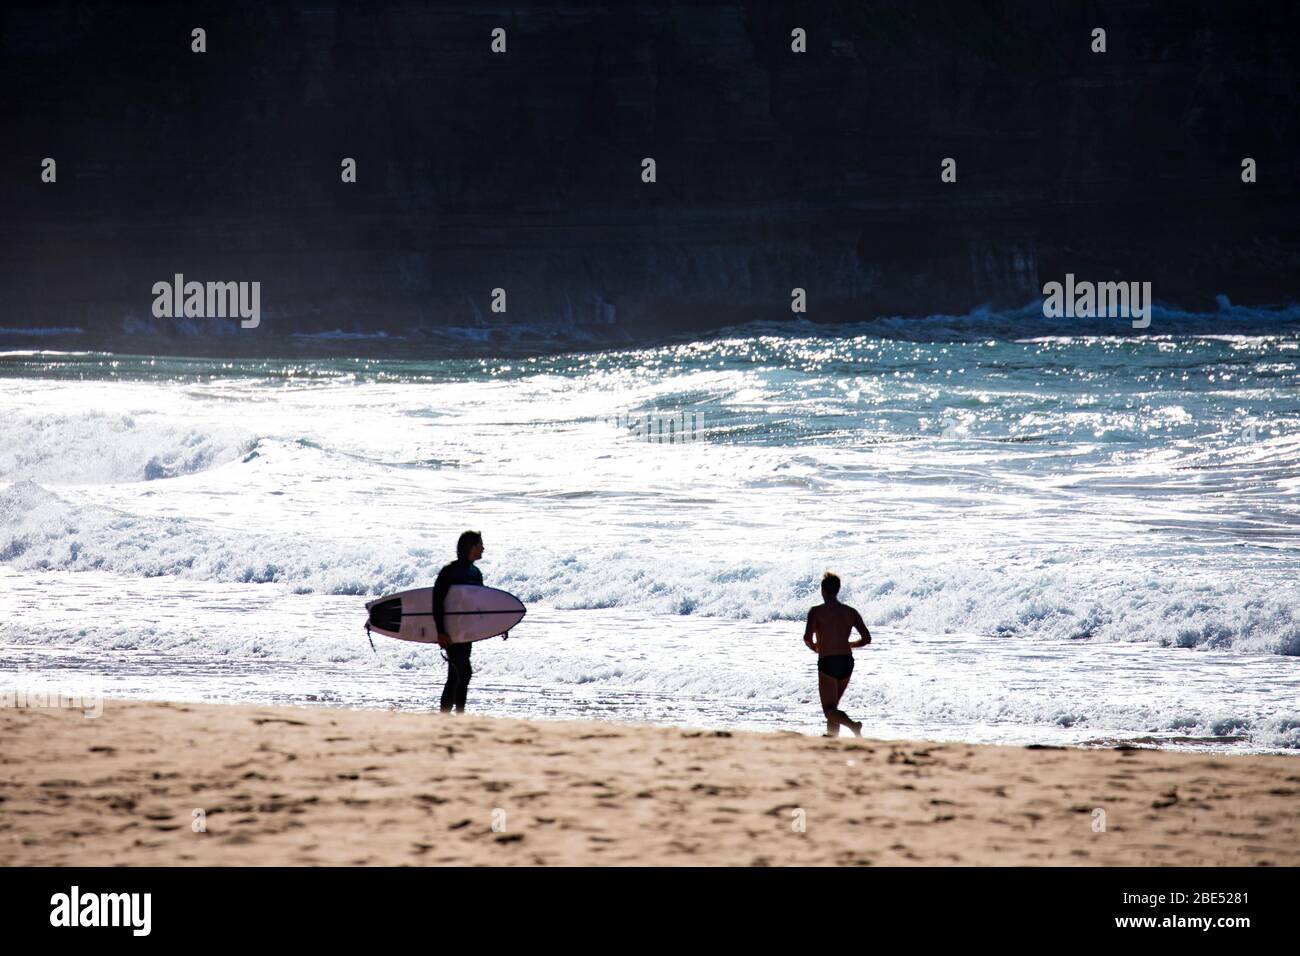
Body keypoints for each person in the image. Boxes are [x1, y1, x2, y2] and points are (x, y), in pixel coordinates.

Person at [803, 571, 871, 737]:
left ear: (822, 590)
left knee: (829, 710)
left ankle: (853, 725)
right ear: (838, 590)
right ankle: (832, 738)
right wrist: (849, 644)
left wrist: (816, 648)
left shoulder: (816, 611)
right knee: (833, 706)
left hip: (828, 662)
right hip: (847, 661)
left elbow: (807, 638)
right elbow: (866, 639)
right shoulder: (850, 612)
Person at [433, 530, 484, 713]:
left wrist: (499, 625)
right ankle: (457, 714)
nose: (483, 548)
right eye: (480, 544)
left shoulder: (476, 573)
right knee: (464, 672)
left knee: (455, 675)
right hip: (450, 631)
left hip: (465, 632)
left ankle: (448, 715)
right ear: (471, 547)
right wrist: (440, 631)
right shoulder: (449, 572)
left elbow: (480, 605)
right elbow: (437, 601)